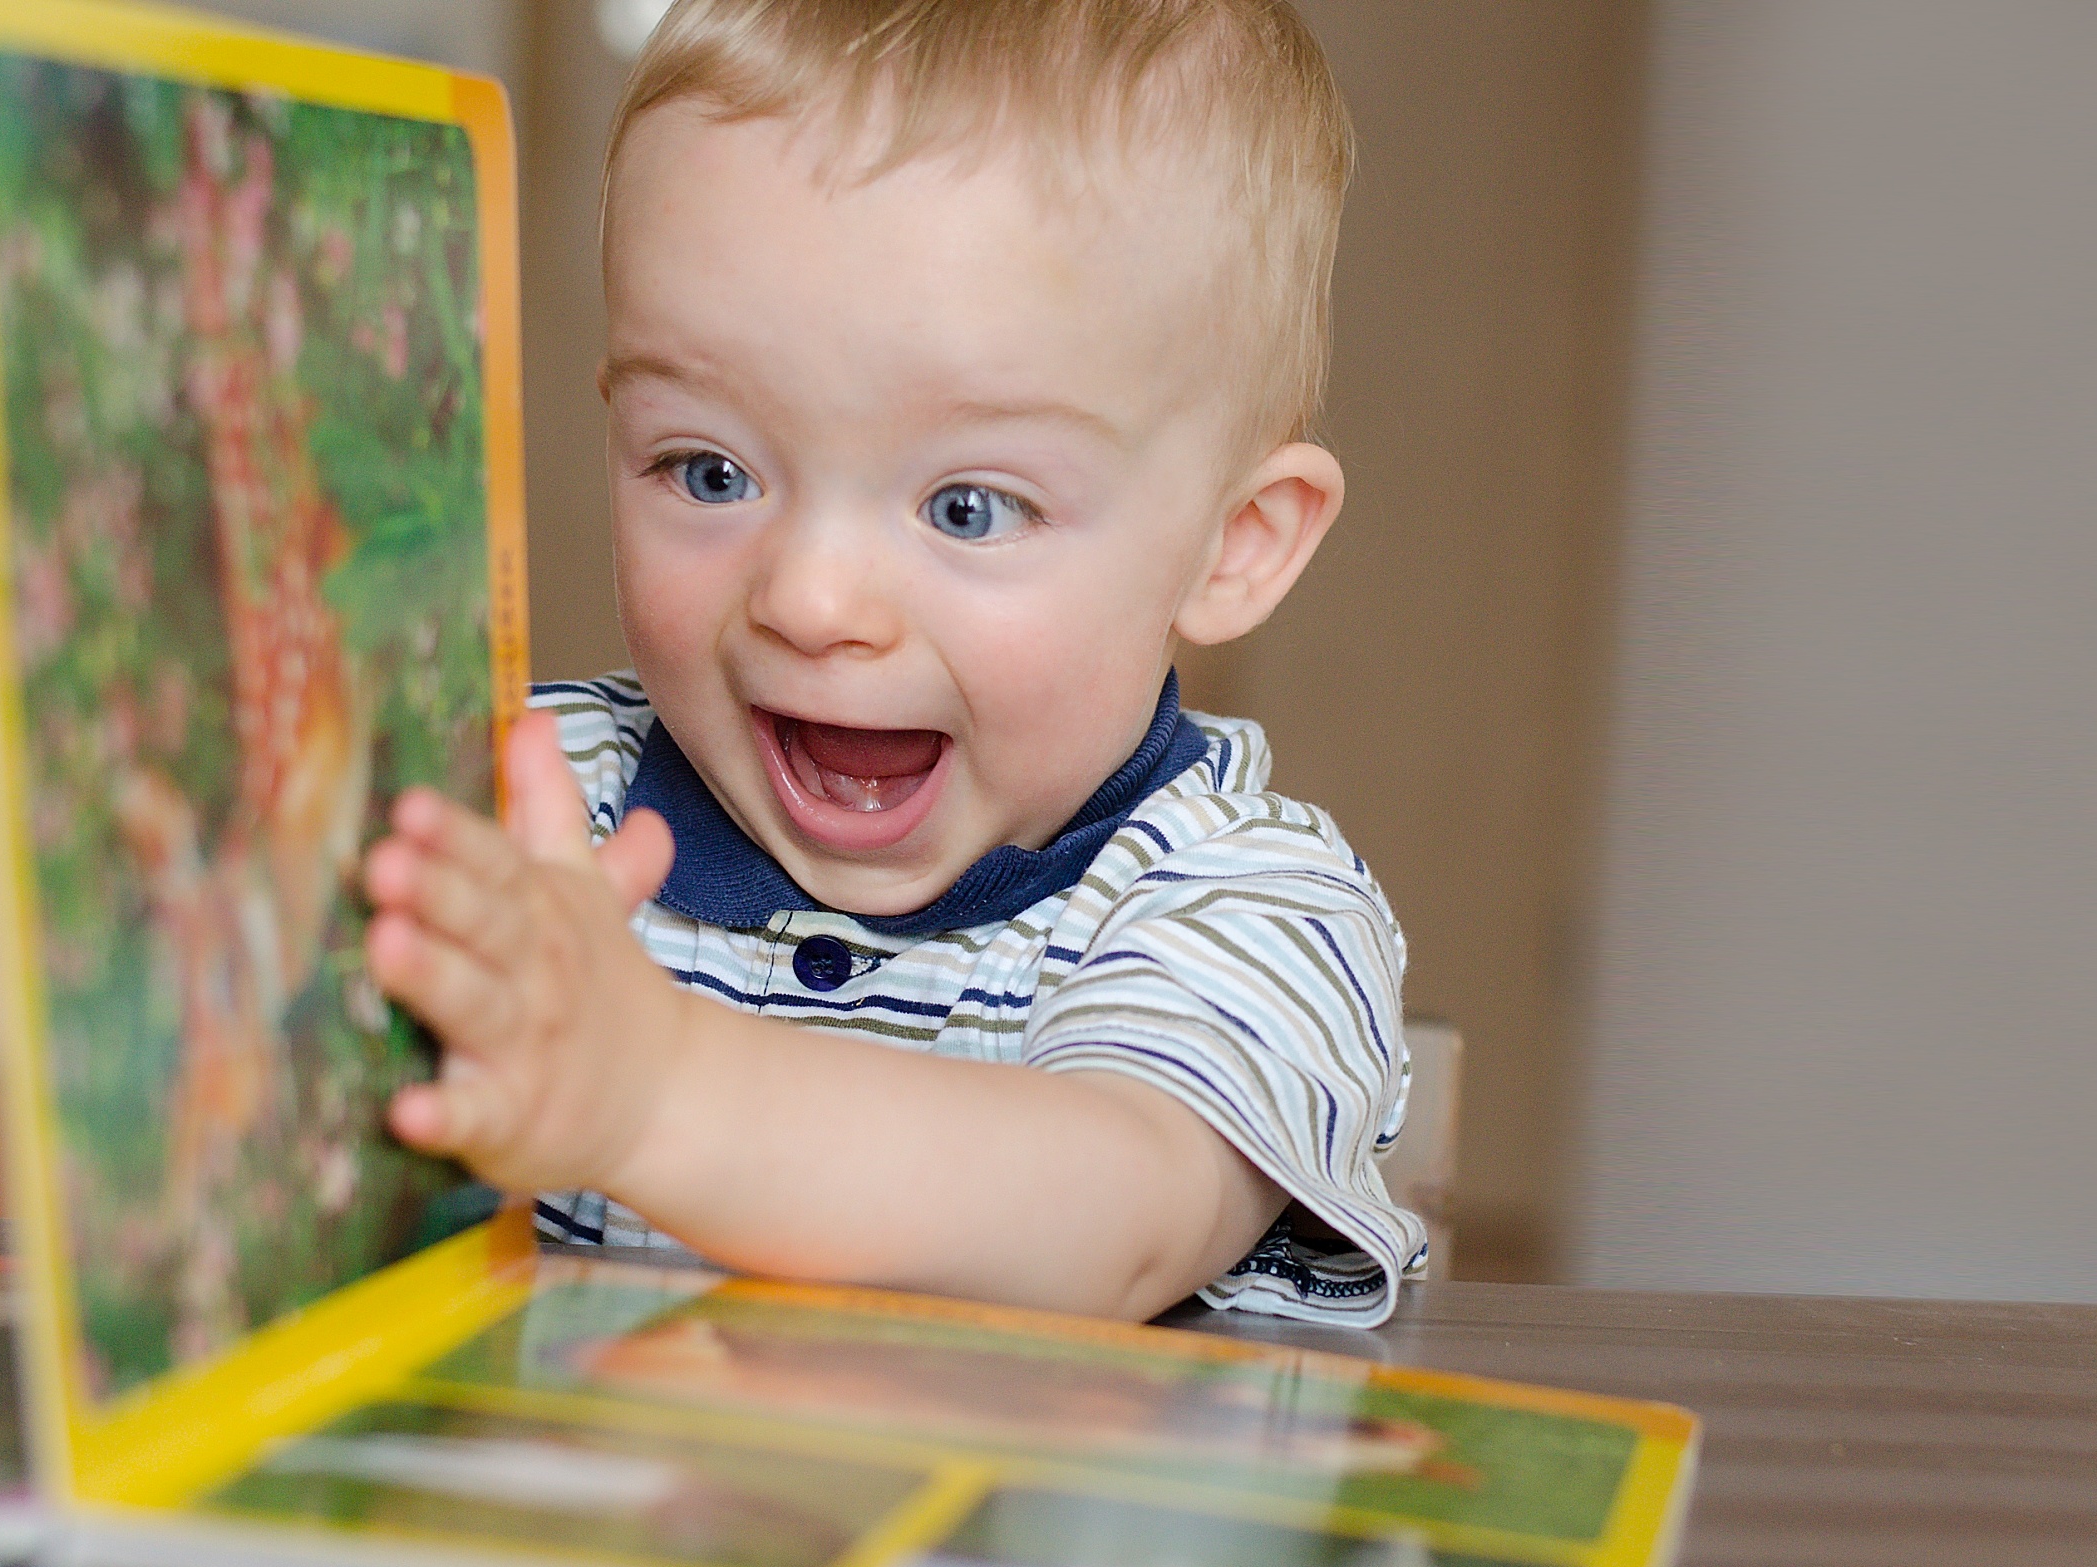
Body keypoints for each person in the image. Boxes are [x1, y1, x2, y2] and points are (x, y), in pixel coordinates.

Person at [361, 0, 1428, 1327]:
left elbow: (1116, 1215)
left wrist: (654, 1091)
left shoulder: (1252, 907)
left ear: (1232, 546)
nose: (810, 600)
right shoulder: (519, 807)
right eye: (710, 470)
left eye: (968, 506)